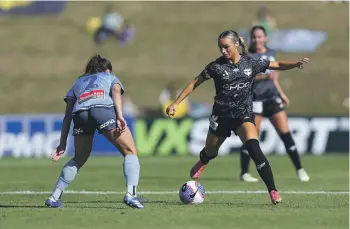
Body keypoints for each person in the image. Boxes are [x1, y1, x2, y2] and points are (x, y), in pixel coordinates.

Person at [166, 30, 309, 205]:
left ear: (236, 44)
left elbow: (276, 64)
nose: (223, 51)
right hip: (221, 116)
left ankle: (273, 190)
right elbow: (195, 83)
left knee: (255, 150)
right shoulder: (216, 67)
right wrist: (176, 103)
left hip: (243, 116)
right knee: (211, 151)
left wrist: (294, 64)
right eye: (220, 47)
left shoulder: (251, 63)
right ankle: (203, 160)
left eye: (226, 47)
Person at [45, 55, 144, 209]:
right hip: (102, 110)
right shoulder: (110, 76)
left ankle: (54, 197)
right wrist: (120, 115)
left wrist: (62, 143)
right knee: (130, 151)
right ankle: (131, 195)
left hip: (80, 114)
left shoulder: (77, 82)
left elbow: (67, 115)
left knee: (78, 158)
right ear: (107, 69)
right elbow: (116, 92)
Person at [239, 26, 310, 183]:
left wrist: (281, 93)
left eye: (260, 36)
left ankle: (300, 169)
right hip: (255, 100)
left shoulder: (271, 53)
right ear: (251, 39)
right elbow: (247, 78)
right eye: (255, 37)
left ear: (265, 38)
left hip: (272, 98)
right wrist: (264, 77)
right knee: (251, 137)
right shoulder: (247, 56)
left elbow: (274, 77)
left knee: (285, 134)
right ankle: (244, 172)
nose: (257, 39)